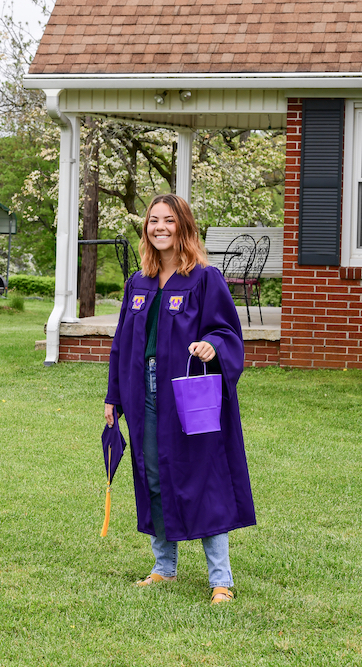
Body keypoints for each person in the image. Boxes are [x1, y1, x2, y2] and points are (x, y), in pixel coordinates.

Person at [104, 193, 255, 604]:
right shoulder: (138, 282)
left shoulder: (205, 278)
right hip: (143, 394)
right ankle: (163, 568)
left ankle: (220, 579)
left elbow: (227, 332)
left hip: (189, 394)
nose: (160, 228)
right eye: (153, 221)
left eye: (168, 221)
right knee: (152, 473)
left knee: (203, 477)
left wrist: (211, 346)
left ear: (183, 227)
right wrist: (113, 396)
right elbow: (122, 345)